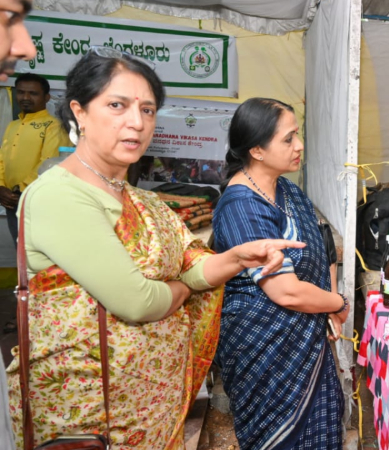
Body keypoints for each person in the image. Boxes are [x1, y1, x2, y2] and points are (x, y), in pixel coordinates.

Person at [6, 49, 303, 449]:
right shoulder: (60, 196)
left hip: (151, 409)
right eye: (117, 105)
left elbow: (193, 266)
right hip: (90, 417)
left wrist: (234, 259)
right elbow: (139, 302)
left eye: (147, 110)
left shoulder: (142, 200)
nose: (137, 122)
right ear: (79, 111)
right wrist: (181, 290)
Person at [212, 98, 347, 450]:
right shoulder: (242, 205)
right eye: (288, 139)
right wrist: (337, 302)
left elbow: (322, 246)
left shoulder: (287, 190)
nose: (299, 146)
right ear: (256, 149)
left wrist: (326, 304)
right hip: (265, 351)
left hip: (306, 339)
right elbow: (285, 292)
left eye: (297, 135)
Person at [0, 1, 36, 447]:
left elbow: (40, 168)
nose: (25, 45)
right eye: (9, 17)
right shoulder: (12, 126)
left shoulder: (45, 126)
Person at [0, 73, 71, 244]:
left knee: (38, 255)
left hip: (36, 201)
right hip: (11, 201)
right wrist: (1, 187)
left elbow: (48, 162)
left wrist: (18, 190)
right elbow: (3, 159)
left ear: (46, 97)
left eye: (33, 93)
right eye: (21, 92)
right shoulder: (13, 125)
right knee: (21, 253)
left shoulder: (54, 126)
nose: (25, 97)